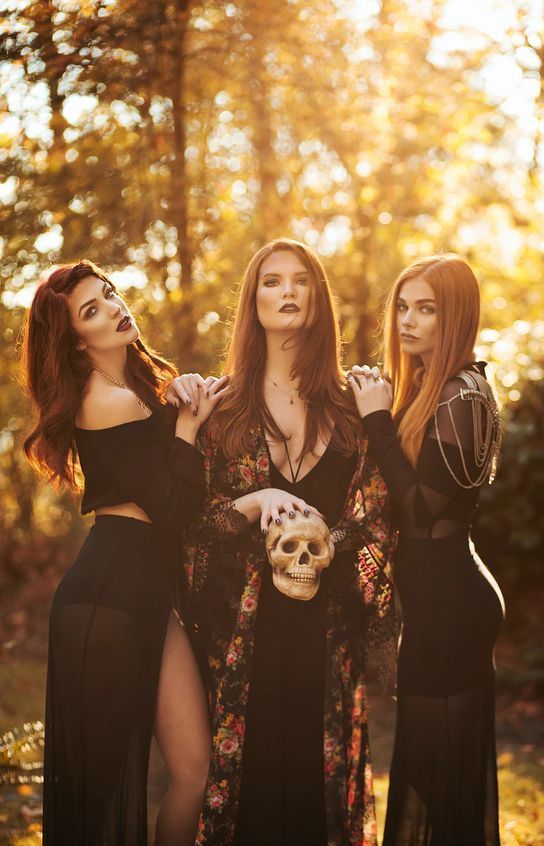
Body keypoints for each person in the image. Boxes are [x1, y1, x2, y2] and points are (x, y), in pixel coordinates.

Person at [169, 238, 396, 846]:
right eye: (272, 281)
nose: (288, 292)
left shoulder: (353, 406)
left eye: (301, 281)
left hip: (327, 635)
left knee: (316, 797)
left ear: (318, 300)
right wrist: (255, 503)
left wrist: (319, 535)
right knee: (252, 792)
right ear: (254, 300)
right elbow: (192, 525)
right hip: (245, 638)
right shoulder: (223, 409)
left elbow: (375, 518)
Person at [23, 260, 228, 846]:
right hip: (106, 606)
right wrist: (188, 426)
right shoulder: (102, 399)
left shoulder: (135, 389)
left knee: (193, 768)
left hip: (147, 602)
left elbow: (172, 461)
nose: (113, 308)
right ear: (76, 341)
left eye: (107, 294)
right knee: (104, 799)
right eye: (92, 310)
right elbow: (173, 509)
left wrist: (185, 397)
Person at [348, 254, 504, 846]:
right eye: (403, 307)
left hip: (452, 607)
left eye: (427, 309)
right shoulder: (428, 390)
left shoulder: (463, 396)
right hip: (436, 605)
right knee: (432, 775)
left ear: (456, 316)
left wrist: (376, 421)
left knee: (444, 783)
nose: (407, 321)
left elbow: (417, 509)